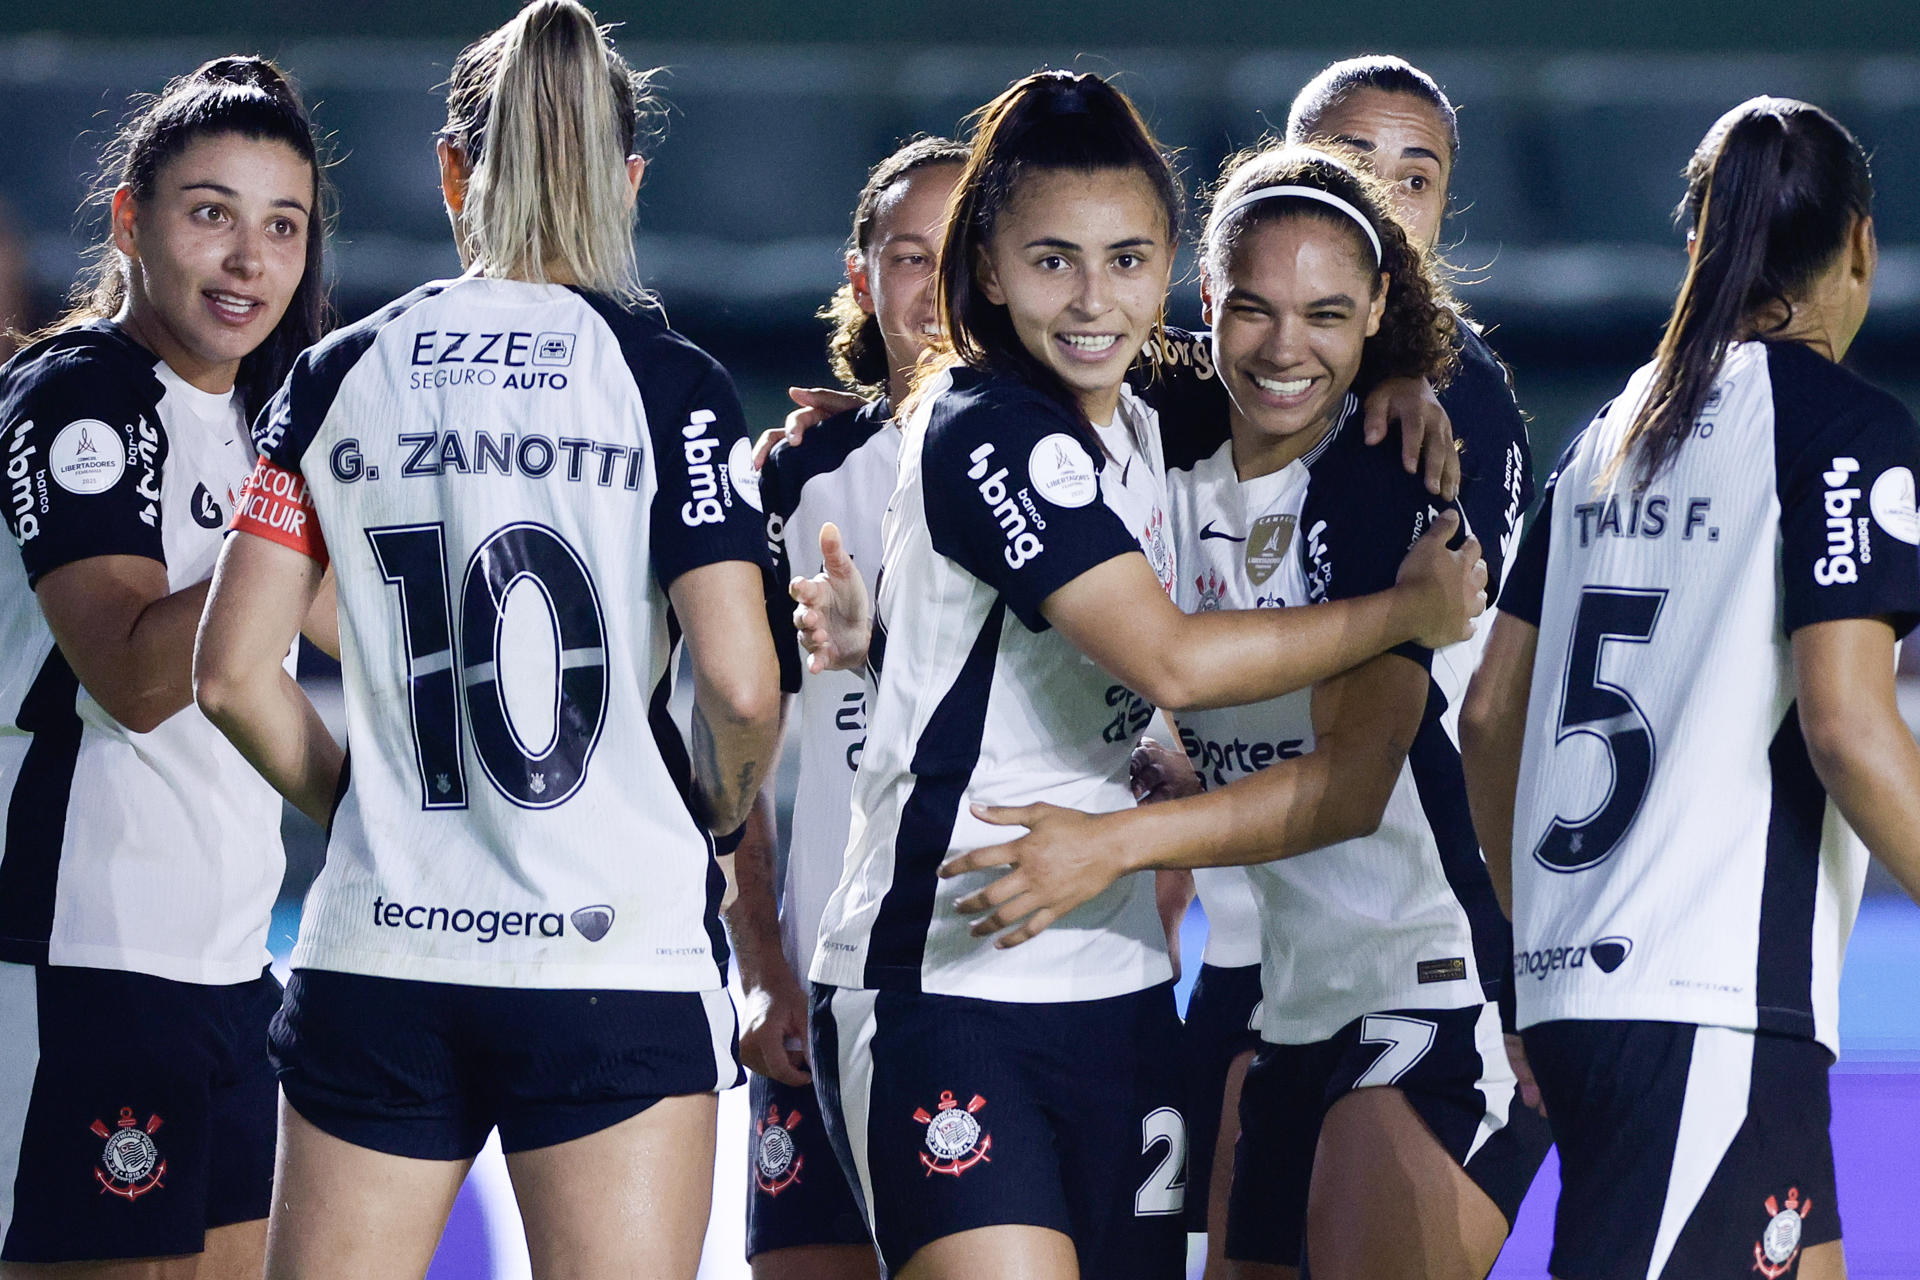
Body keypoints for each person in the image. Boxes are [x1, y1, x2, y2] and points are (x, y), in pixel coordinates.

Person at [790, 70, 1487, 1280]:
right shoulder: (989, 423)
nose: (1093, 298)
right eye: (1051, 260)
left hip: (1119, 984)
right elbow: (1168, 654)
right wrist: (1408, 609)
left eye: (1124, 259)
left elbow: (1300, 345)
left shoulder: (1145, 412)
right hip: (947, 969)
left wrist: (1406, 372)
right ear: (990, 268)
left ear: (1170, 266)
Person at [190, 5, 787, 1279]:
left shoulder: (339, 371)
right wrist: (717, 815)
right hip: (610, 945)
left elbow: (233, 670)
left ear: (455, 172)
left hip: (383, 951)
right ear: (626, 183)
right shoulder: (667, 380)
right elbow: (740, 682)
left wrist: (369, 805)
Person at [940, 142, 1546, 1280]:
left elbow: (1354, 785)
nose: (1284, 347)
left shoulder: (1385, 471)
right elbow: (1009, 362)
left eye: (1326, 314)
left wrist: (1115, 843)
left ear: (1378, 311)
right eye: (1254, 309)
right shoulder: (1157, 429)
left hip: (1435, 984)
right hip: (1295, 1001)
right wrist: (848, 412)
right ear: (1204, 300)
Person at [1458, 96, 1920, 1280]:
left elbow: (1490, 714)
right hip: (1711, 1000)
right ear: (1858, 246)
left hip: (1588, 992)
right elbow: (1850, 727)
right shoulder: (1846, 429)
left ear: (1701, 247)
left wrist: (1527, 951)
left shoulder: (1609, 433)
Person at [1151, 54, 1545, 1269]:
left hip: (1430, 950)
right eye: (1351, 167)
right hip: (1284, 959)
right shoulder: (1198, 404)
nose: (1381, 197)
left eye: (1413, 178)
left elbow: (1364, 764)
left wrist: (1115, 840)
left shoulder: (1434, 416)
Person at [0, 56, 330, 1280]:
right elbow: (136, 676)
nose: (249, 260)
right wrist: (297, 534)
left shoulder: (267, 423)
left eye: (281, 226)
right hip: (80, 947)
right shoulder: (75, 394)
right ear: (130, 220)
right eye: (212, 214)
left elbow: (380, 631)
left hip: (232, 965)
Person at [729, 134, 966, 1280]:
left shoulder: (1114, 452)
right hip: (829, 991)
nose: (940, 284)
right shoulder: (792, 477)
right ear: (862, 276)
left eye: (965, 249)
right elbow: (737, 745)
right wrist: (762, 962)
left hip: (1012, 995)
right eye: (910, 254)